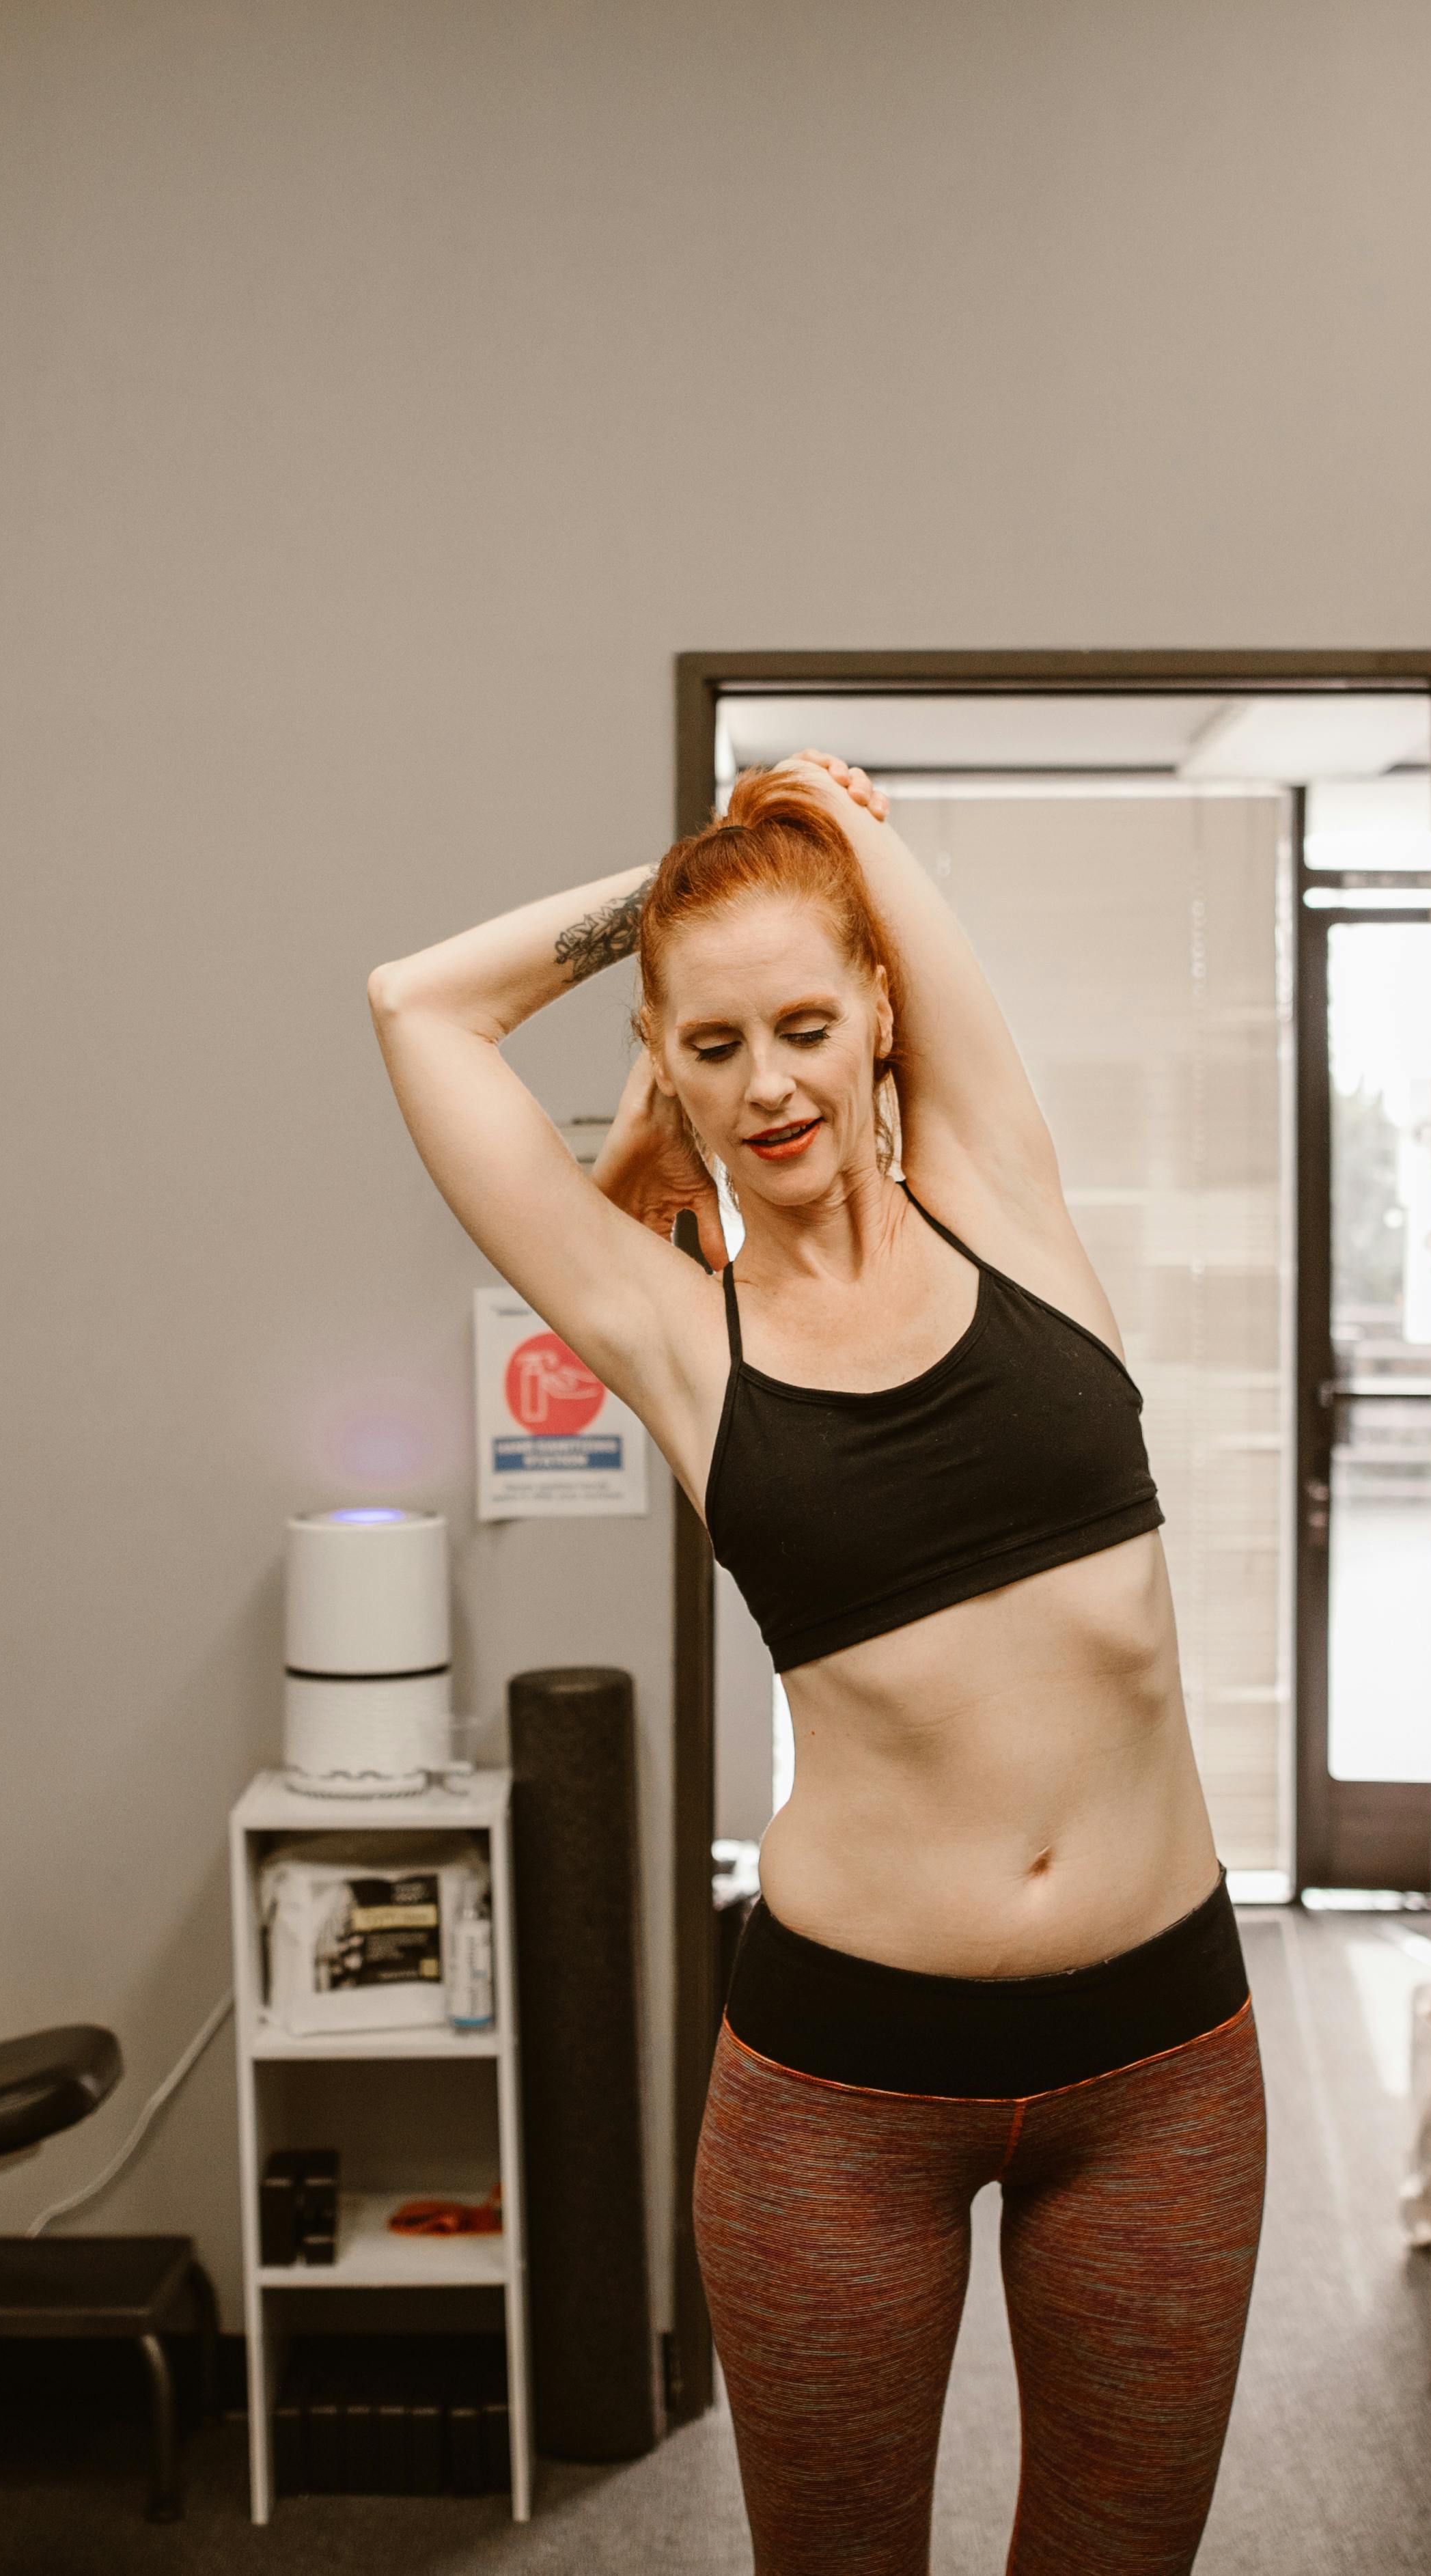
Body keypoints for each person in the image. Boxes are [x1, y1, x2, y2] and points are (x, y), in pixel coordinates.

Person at [370, 755, 1263, 2573]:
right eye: (713, 1045)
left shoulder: (1001, 1192)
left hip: (1162, 2062)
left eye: (801, 1021)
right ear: (666, 1060)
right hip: (841, 2091)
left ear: (876, 1015)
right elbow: (419, 1006)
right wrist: (692, 876)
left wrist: (815, 827)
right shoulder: (675, 1331)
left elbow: (859, 858)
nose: (767, 1080)